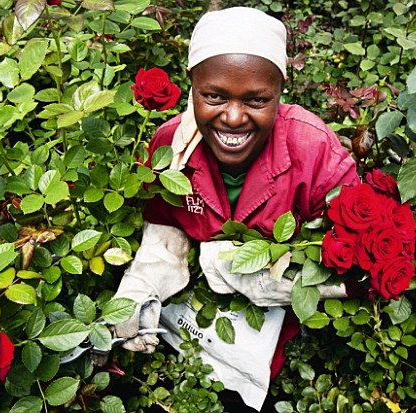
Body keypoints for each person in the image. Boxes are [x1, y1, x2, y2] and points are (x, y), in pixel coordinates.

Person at [113, 6, 360, 411]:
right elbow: (164, 225)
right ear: (191, 85)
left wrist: (263, 275)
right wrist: (141, 288)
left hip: (282, 336)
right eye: (213, 96)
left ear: (280, 93)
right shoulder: (169, 148)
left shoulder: (313, 151)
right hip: (191, 326)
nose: (232, 117)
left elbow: (351, 265)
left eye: (257, 100)